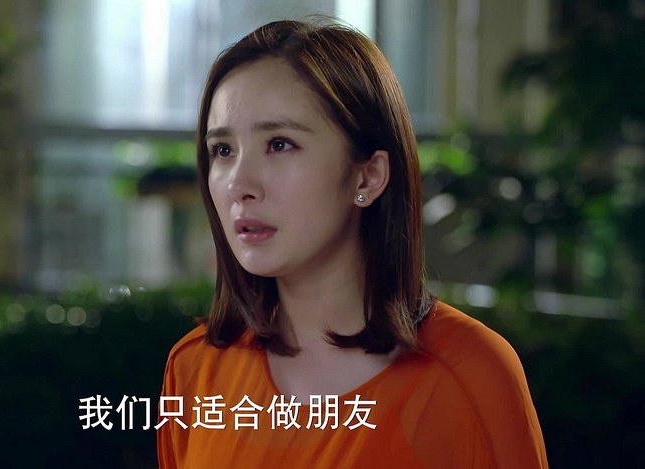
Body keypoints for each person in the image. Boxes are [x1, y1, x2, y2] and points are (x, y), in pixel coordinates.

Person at [157, 18, 548, 468]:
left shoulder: (471, 375)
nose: (239, 185)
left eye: (280, 144)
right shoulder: (196, 369)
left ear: (369, 175)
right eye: (223, 150)